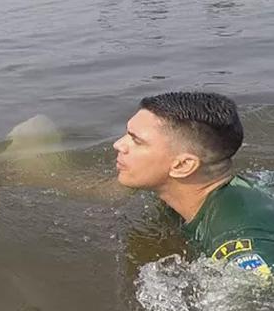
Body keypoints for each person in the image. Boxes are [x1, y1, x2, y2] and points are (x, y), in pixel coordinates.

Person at [114, 92, 273, 278]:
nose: (118, 144)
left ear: (182, 165)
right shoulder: (181, 192)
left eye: (136, 140)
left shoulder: (237, 242)